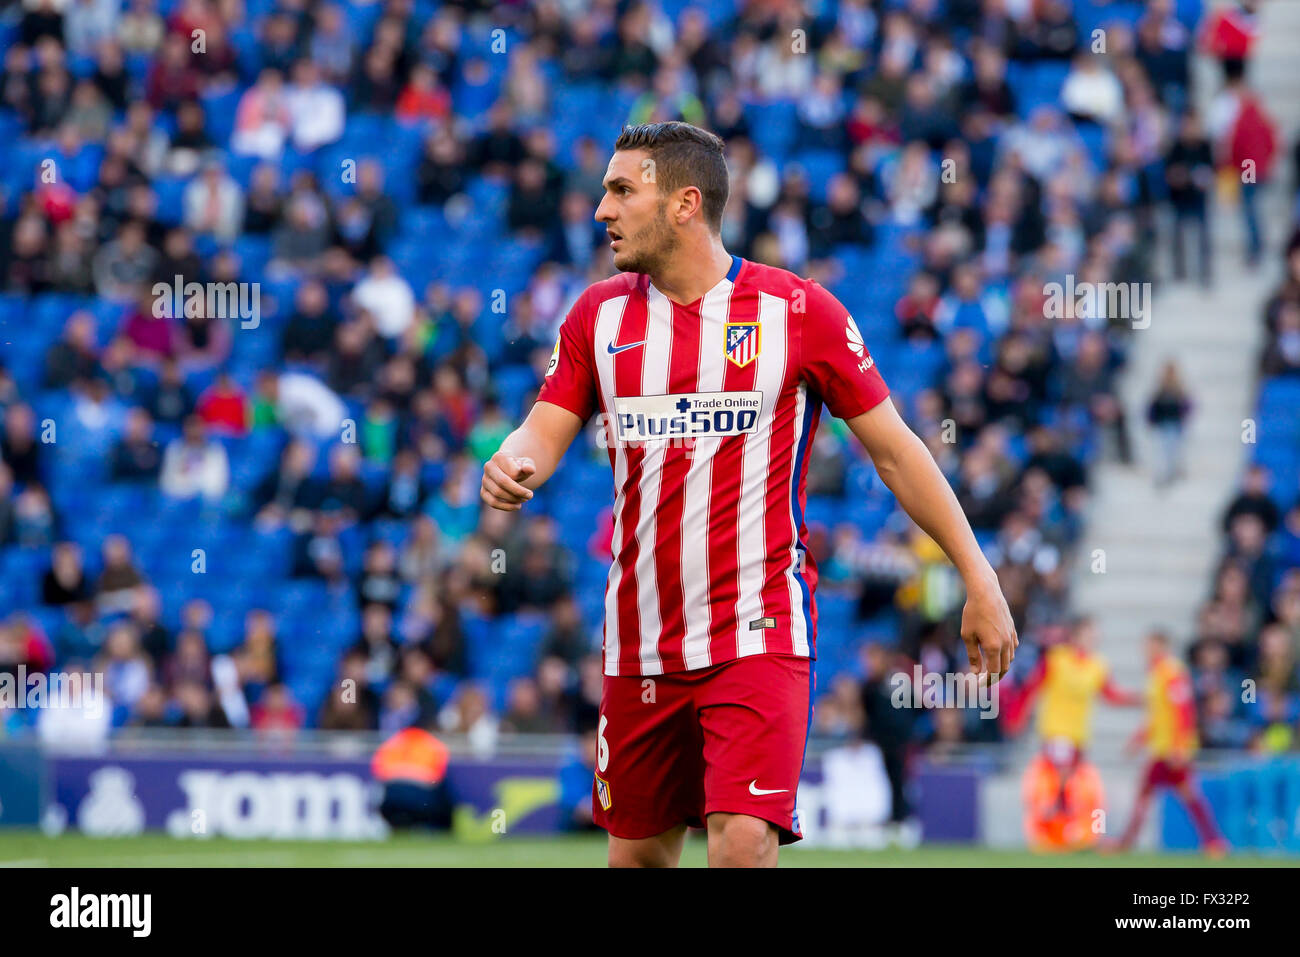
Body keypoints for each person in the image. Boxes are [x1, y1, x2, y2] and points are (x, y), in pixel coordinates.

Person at [480, 122, 1018, 868]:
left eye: (621, 190)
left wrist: (978, 576)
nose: (601, 209)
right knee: (636, 858)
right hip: (640, 640)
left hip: (756, 630)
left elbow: (896, 452)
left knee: (740, 842)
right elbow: (542, 429)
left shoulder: (797, 313)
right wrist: (511, 460)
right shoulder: (596, 317)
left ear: (684, 204)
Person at [1112, 630, 1228, 856]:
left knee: (1171, 796)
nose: (1145, 651)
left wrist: (1179, 747)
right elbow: (1158, 716)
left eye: (1150, 646)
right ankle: (1213, 842)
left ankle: (1214, 842)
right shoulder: (1156, 673)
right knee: (1177, 796)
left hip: (1172, 749)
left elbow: (1183, 711)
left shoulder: (1172, 672)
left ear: (1161, 646)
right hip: (1162, 748)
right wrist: (1139, 740)